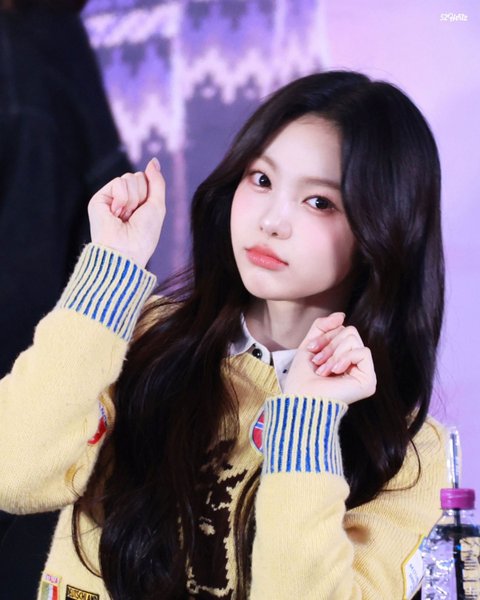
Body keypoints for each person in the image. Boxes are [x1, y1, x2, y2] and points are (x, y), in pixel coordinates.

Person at [0, 71, 447, 599]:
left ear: (385, 228)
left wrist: (308, 420)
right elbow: (14, 474)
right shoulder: (142, 337)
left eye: (319, 202)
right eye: (261, 179)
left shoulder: (406, 451)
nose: (272, 221)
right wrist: (109, 272)